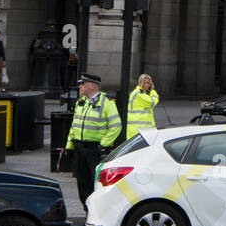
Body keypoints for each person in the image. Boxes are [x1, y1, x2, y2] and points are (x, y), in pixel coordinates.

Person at [64, 73, 122, 209]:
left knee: (96, 184)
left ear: (92, 85)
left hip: (94, 150)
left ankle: (97, 214)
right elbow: (74, 126)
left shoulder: (106, 103)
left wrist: (103, 145)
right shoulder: (81, 102)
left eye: (82, 84)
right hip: (80, 148)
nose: (80, 86)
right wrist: (69, 146)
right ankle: (87, 214)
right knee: (83, 184)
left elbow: (116, 125)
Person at [126, 73, 159, 138]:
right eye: (144, 83)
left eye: (148, 83)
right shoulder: (138, 93)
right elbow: (152, 102)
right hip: (137, 129)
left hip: (142, 129)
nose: (146, 85)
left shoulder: (143, 93)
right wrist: (153, 91)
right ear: (139, 83)